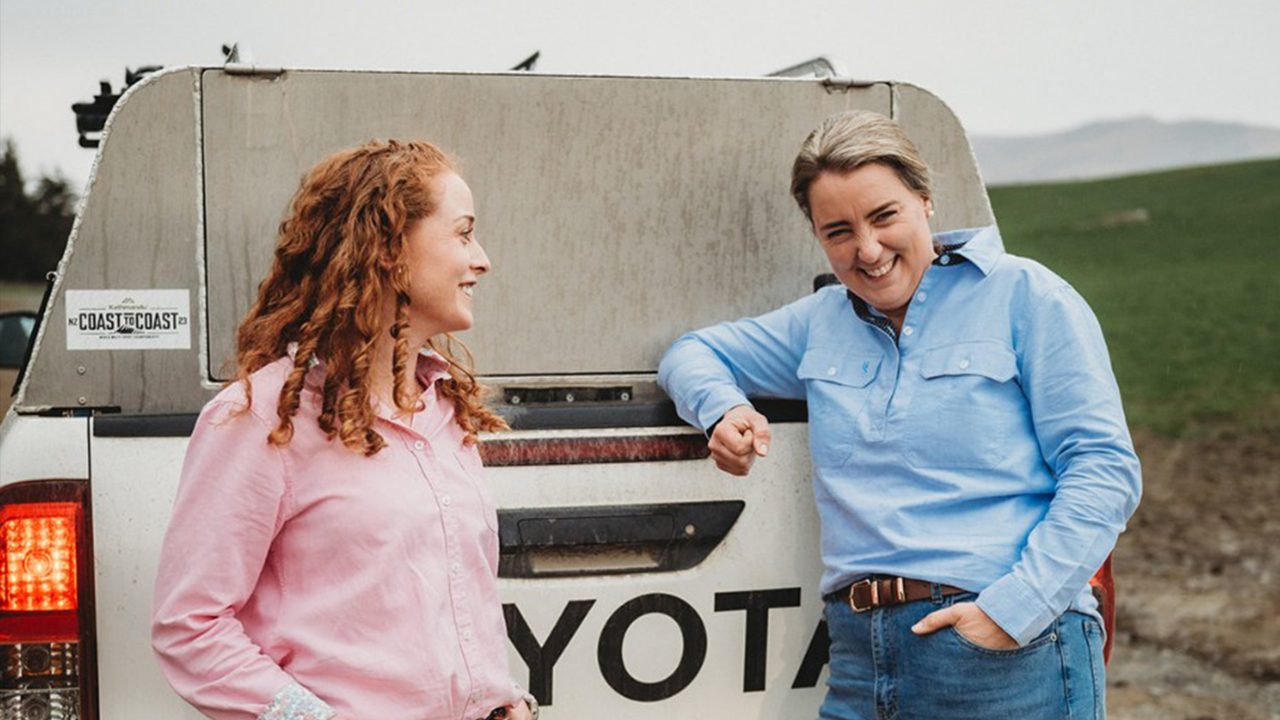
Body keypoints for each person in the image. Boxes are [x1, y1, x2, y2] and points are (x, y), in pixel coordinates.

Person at [658, 110, 1141, 719]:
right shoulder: (820, 322)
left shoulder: (1027, 296)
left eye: (884, 216)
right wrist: (723, 408)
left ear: (925, 199)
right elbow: (690, 352)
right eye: (838, 231)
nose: (867, 249)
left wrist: (1009, 613)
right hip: (861, 659)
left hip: (1004, 654)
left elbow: (1103, 470)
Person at [152, 140, 537, 720]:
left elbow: (455, 606)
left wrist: (503, 700)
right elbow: (191, 628)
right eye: (463, 234)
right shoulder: (265, 417)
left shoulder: (445, 410)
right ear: (388, 249)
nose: (481, 259)